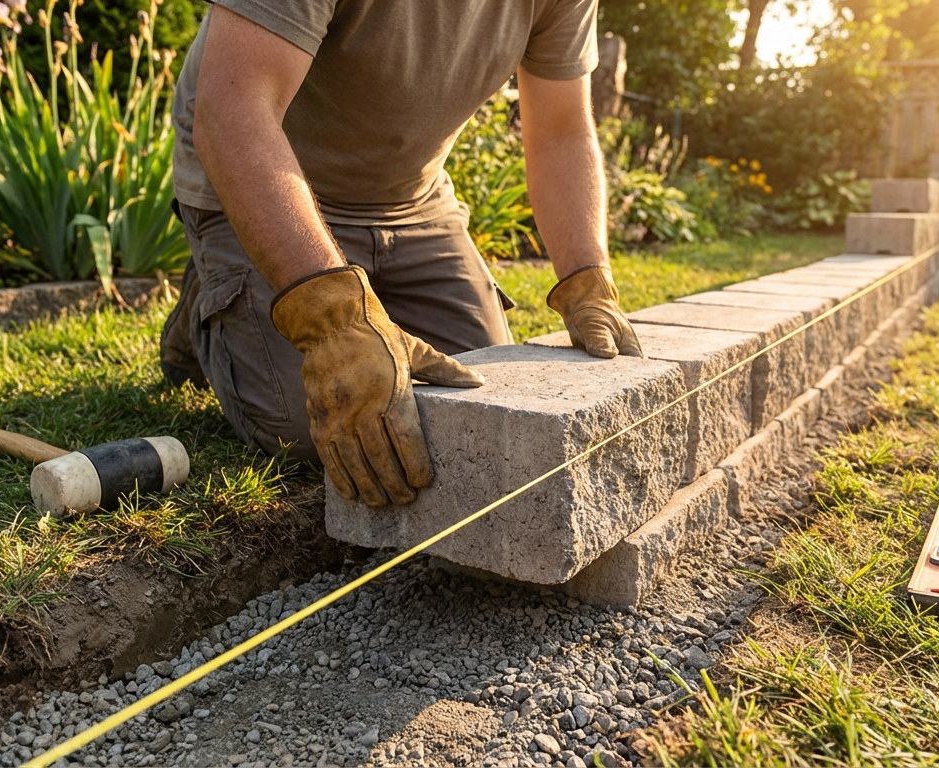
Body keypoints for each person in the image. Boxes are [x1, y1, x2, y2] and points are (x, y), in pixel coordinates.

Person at [160, 0, 643, 510]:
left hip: (412, 202)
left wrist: (588, 279)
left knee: (475, 400)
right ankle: (217, 294)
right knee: (313, 427)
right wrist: (333, 321)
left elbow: (561, 130)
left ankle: (257, 291)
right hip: (267, 181)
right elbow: (235, 109)